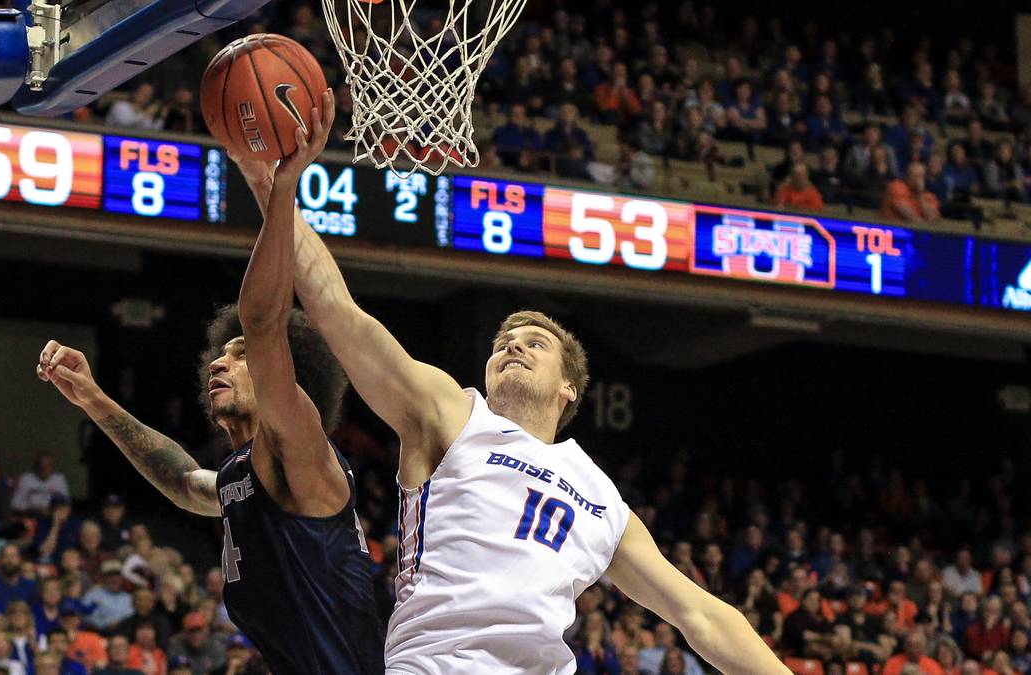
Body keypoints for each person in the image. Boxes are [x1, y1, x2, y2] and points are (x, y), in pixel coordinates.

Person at [234, 95, 788, 674]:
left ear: (568, 388)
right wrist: (274, 185)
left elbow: (701, 615)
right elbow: (333, 307)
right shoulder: (451, 414)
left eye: (534, 343)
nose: (512, 345)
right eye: (503, 342)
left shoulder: (602, 500)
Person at [37, 90, 383, 675]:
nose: (219, 364)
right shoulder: (241, 478)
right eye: (218, 356)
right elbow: (178, 479)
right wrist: (93, 399)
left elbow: (265, 319)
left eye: (239, 355)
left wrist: (282, 186)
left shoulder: (301, 445)